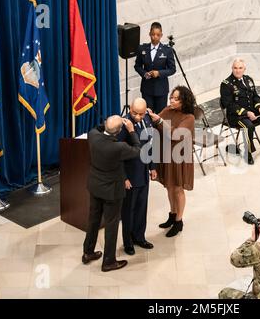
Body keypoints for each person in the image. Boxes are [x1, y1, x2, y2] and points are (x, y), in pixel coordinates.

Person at [82, 115, 141, 272]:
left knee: (93, 219)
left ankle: (88, 252)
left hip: (95, 186)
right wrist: (132, 130)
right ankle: (109, 261)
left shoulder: (93, 135)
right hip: (111, 191)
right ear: (119, 131)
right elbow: (137, 150)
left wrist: (110, 123)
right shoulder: (119, 147)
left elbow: (98, 127)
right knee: (111, 224)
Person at [148, 86, 195, 237]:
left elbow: (175, 134)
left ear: (184, 101)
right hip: (167, 154)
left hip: (180, 157)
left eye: (175, 98)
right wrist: (150, 115)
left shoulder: (189, 117)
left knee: (177, 189)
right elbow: (156, 121)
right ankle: (172, 214)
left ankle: (179, 221)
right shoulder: (168, 110)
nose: (171, 101)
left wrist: (160, 121)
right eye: (171, 98)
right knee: (169, 186)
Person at [220, 58, 260, 165]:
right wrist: (246, 113)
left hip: (253, 111)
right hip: (236, 116)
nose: (238, 70)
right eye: (235, 68)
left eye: (240, 68)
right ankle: (248, 153)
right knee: (249, 126)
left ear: (244, 69)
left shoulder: (248, 80)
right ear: (232, 68)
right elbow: (229, 105)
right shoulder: (226, 84)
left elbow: (255, 96)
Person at [118, 98, 157, 255]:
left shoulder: (147, 118)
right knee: (128, 211)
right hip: (130, 175)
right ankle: (128, 242)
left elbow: (149, 145)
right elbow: (118, 153)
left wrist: (152, 166)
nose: (138, 117)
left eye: (141, 113)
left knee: (142, 207)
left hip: (143, 173)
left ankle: (139, 237)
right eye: (135, 113)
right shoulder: (124, 125)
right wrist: (123, 177)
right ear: (130, 109)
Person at [134, 22, 176, 114]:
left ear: (161, 35)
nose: (155, 37)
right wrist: (144, 74)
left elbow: (172, 69)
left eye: (157, 35)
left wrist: (159, 73)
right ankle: (149, 129)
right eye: (153, 34)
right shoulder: (142, 49)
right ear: (149, 34)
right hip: (147, 89)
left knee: (162, 115)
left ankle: (165, 129)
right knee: (148, 114)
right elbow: (137, 66)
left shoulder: (167, 50)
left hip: (161, 89)